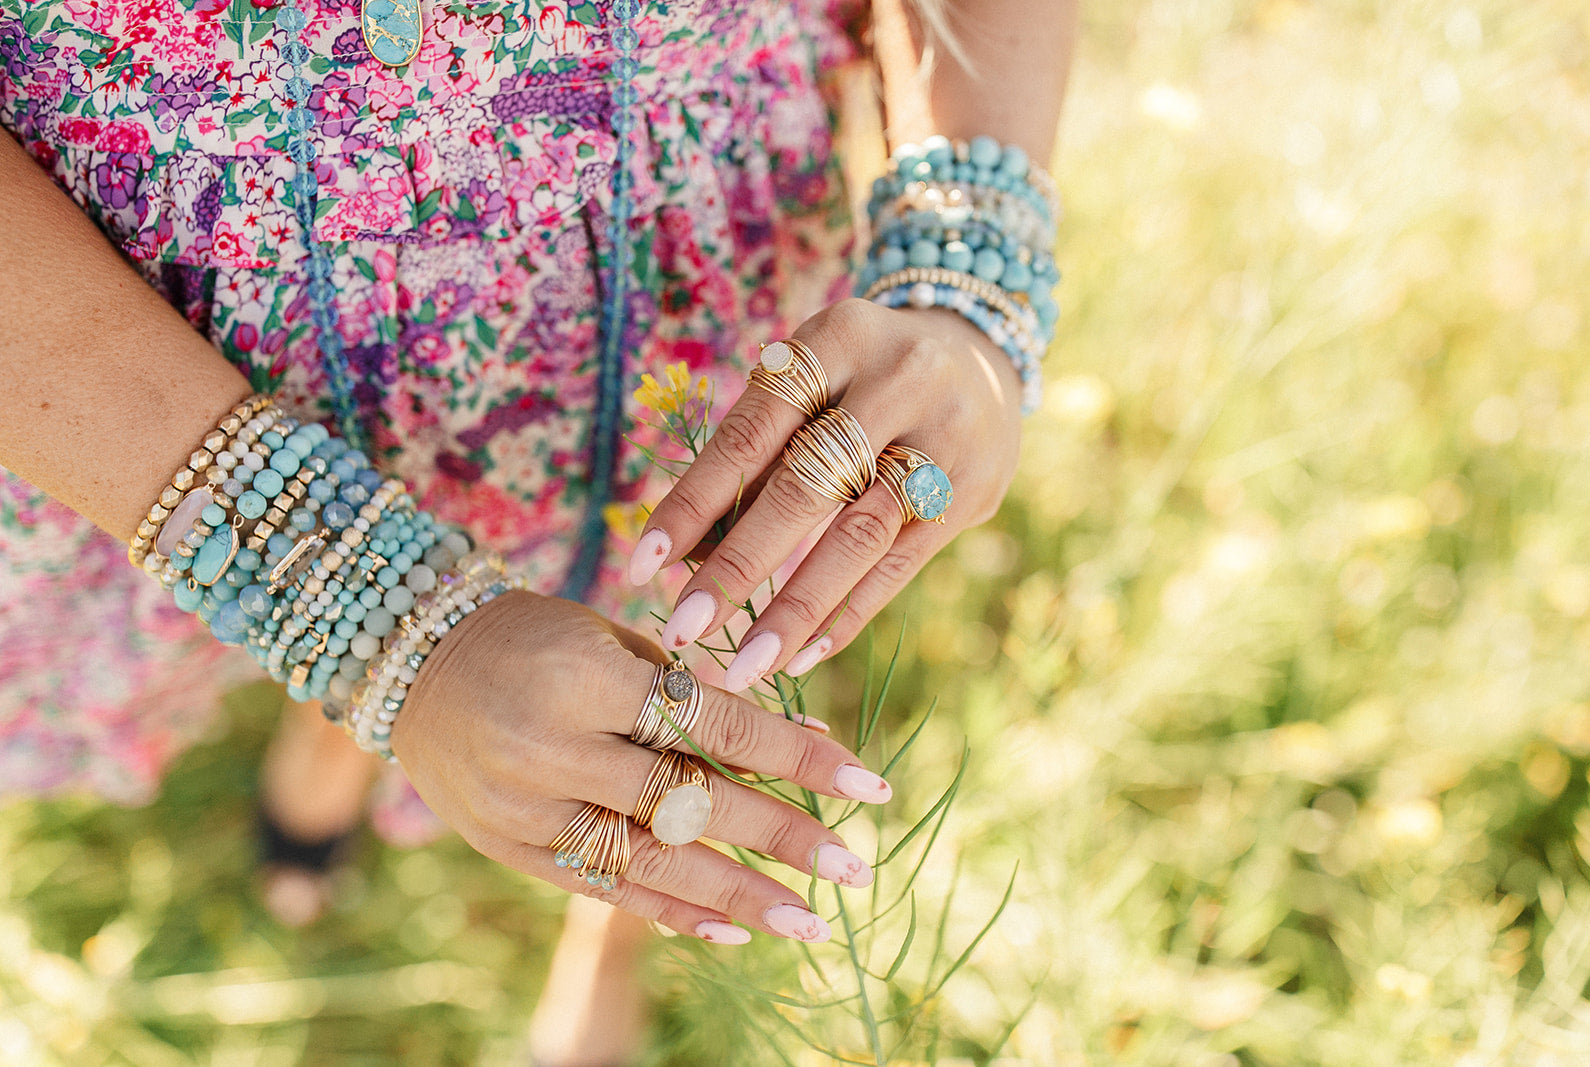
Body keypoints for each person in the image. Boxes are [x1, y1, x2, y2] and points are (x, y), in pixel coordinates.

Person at [0, 0, 1073, 1061]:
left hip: (676, 252)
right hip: (131, 343)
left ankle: (627, 893)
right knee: (368, 596)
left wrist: (969, 278)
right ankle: (347, 716)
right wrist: (387, 634)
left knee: (691, 610)